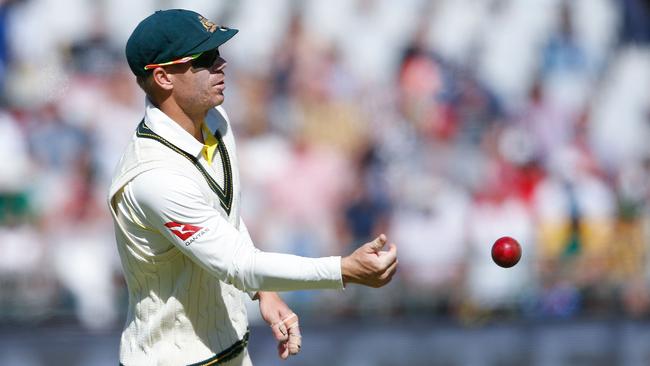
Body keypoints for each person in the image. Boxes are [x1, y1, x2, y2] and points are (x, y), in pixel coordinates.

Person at [108, 9, 398, 366]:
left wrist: (265, 290)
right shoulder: (153, 177)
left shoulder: (213, 119)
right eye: (205, 59)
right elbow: (239, 262)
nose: (222, 64)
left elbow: (223, 219)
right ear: (164, 77)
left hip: (230, 351)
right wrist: (343, 270)